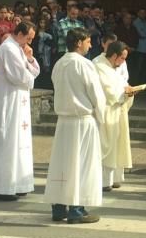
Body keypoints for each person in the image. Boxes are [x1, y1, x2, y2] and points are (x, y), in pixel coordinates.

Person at [44, 27, 107, 224]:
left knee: (63, 166)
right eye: (88, 41)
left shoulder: (59, 64)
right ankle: (77, 210)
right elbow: (96, 93)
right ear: (78, 42)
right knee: (82, 165)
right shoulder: (85, 64)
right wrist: (102, 115)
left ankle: (59, 207)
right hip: (82, 120)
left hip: (64, 121)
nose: (90, 45)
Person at [0, 23, 41, 201]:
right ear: (19, 33)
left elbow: (33, 70)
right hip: (7, 102)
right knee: (7, 140)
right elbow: (18, 76)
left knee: (18, 141)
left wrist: (30, 59)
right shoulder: (9, 48)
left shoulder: (17, 48)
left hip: (18, 101)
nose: (30, 42)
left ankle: (17, 183)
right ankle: (2, 186)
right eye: (28, 38)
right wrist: (30, 76)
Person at [94, 41, 137, 192]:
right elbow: (109, 91)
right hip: (106, 112)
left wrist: (129, 91)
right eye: (122, 58)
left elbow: (121, 84)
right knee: (107, 146)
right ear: (113, 55)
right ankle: (104, 181)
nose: (123, 62)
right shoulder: (99, 66)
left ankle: (114, 178)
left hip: (118, 111)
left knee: (117, 145)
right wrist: (124, 93)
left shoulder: (113, 67)